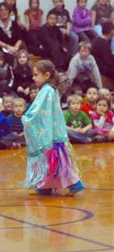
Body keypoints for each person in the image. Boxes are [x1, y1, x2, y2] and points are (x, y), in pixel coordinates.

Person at [22, 60, 84, 196]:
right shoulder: (49, 89)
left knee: (56, 159)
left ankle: (73, 183)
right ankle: (46, 186)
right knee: (54, 160)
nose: (33, 78)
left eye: (36, 75)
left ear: (46, 75)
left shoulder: (47, 91)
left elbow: (38, 111)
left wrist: (26, 118)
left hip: (52, 132)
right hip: (54, 131)